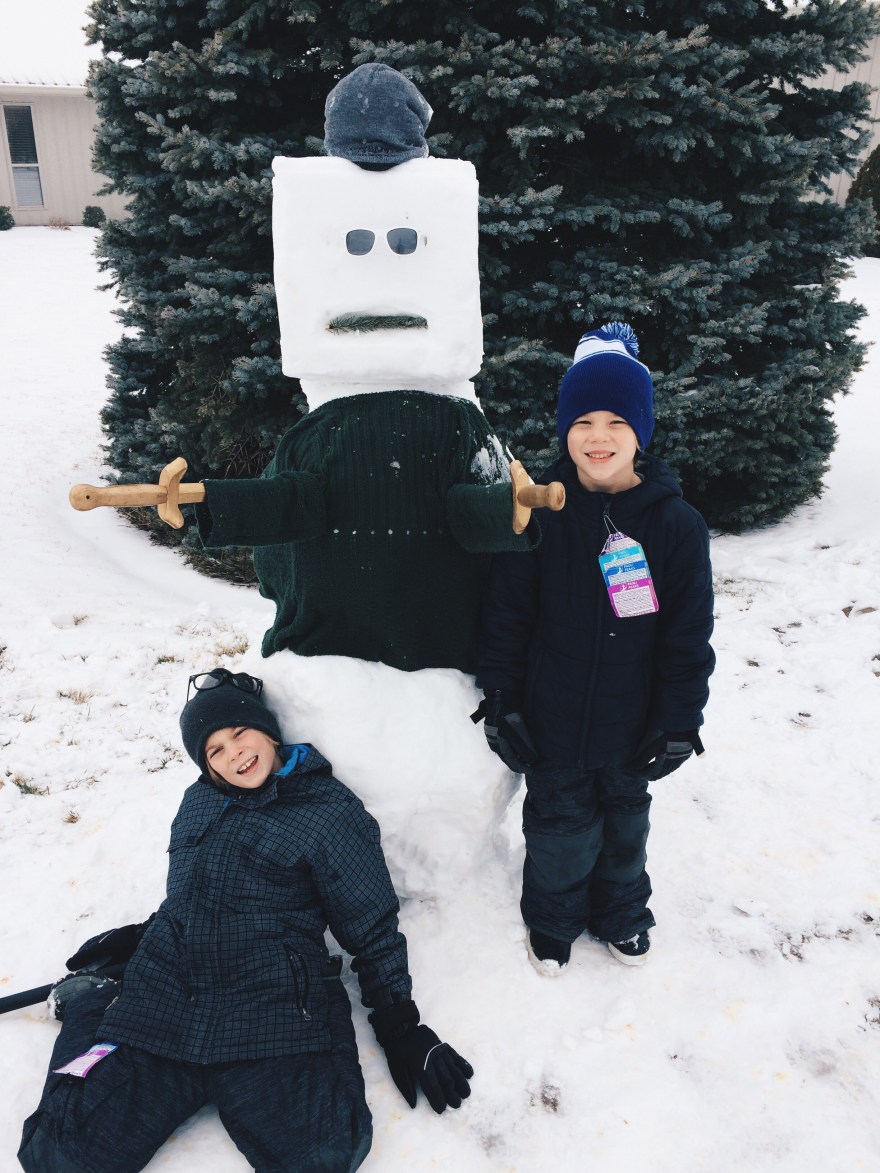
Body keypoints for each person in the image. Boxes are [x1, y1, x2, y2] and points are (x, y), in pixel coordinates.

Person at [19, 669, 472, 1173]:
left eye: (240, 734)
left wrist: (400, 1025)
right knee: (57, 1155)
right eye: (214, 751)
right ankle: (97, 1002)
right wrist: (146, 937)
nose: (234, 754)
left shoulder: (326, 811)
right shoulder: (198, 802)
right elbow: (192, 892)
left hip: (273, 1010)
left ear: (270, 732)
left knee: (324, 1155)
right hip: (166, 1003)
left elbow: (372, 925)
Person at [473, 322, 715, 974]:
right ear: (565, 430)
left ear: (641, 431)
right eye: (582, 421)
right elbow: (507, 614)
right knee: (559, 826)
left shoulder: (675, 524)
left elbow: (688, 635)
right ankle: (553, 920)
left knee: (626, 822)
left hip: (634, 719)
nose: (598, 436)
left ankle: (622, 912)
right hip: (551, 716)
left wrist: (678, 721)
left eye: (616, 421)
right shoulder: (539, 514)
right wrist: (501, 699)